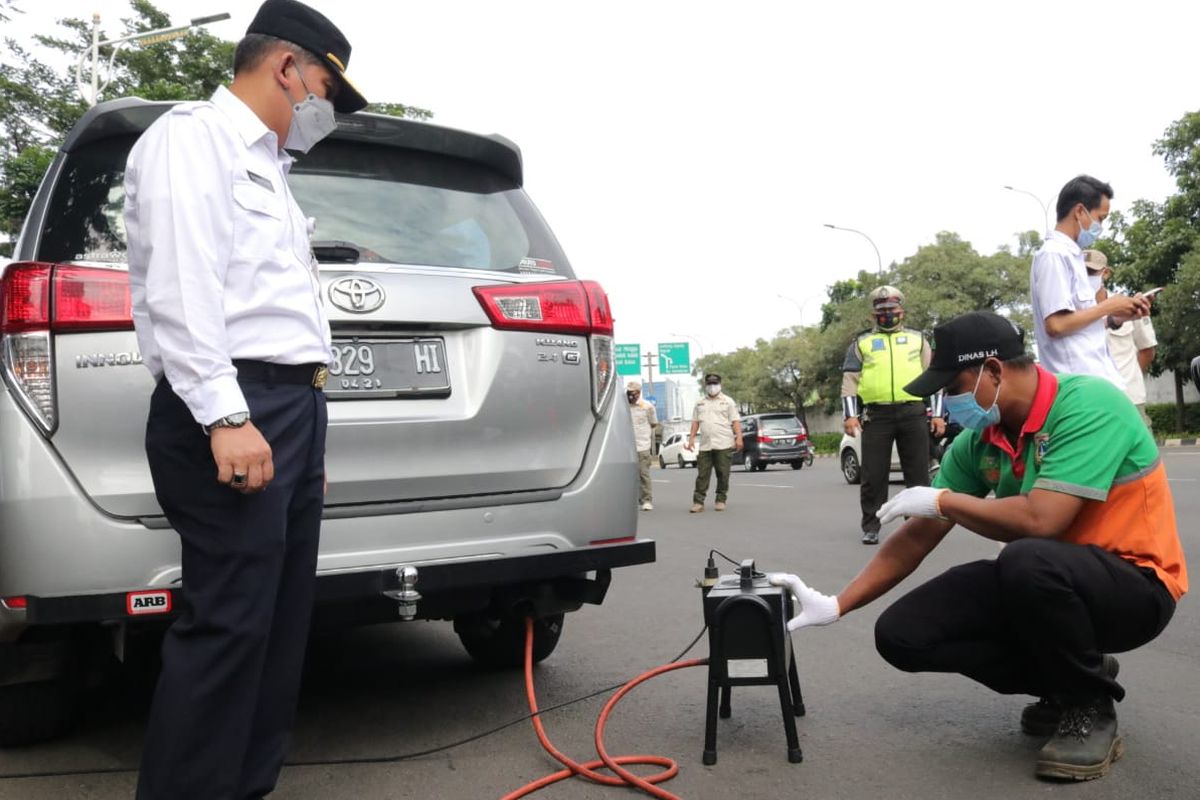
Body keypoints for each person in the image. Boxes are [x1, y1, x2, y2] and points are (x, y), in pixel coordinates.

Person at [772, 311, 1186, 782]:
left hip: (1137, 587)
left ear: (993, 371)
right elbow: (920, 535)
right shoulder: (980, 440)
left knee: (1026, 558)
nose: (949, 402)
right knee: (903, 634)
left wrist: (944, 499)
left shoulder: (1088, 405)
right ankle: (1074, 673)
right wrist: (838, 604)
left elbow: (1041, 520)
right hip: (1051, 581)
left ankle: (1088, 705)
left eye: (954, 386)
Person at [123, 1, 368, 797]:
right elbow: (182, 288)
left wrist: (306, 443)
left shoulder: (271, 169)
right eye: (327, 87)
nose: (325, 109)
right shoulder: (193, 140)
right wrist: (227, 417)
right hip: (234, 403)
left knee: (278, 626)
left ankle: (245, 787)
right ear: (287, 67)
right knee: (229, 625)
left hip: (291, 410)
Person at [842, 285, 945, 545]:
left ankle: (918, 525)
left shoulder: (918, 339)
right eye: (882, 311)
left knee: (918, 474)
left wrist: (937, 414)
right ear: (872, 315)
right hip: (877, 416)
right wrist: (850, 415)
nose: (888, 314)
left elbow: (933, 377)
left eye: (893, 310)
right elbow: (850, 381)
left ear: (903, 312)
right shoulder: (861, 343)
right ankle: (871, 526)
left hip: (913, 412)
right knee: (873, 475)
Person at [1030, 175, 1150, 387]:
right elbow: (1056, 325)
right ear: (1079, 211)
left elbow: (1079, 324)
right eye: (1100, 218)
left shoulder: (1073, 256)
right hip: (1079, 386)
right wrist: (1107, 306)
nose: (1100, 226)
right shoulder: (1054, 255)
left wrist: (1117, 317)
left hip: (1097, 382)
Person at [1085, 250, 1158, 429]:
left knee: (1143, 455)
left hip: (1130, 398)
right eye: (1082, 272)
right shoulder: (1073, 312)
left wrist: (1128, 378)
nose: (1086, 277)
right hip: (1091, 403)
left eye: (1091, 272)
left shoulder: (1127, 305)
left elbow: (1147, 351)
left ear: (1105, 273)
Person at [687, 373, 742, 512]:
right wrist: (691, 439)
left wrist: (739, 438)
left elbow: (735, 421)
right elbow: (695, 422)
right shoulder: (700, 403)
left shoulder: (728, 401)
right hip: (705, 444)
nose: (712, 387)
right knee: (702, 474)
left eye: (715, 384)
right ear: (706, 385)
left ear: (719, 384)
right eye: (710, 384)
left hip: (723, 443)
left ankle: (721, 499)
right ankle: (698, 502)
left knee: (723, 473)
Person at [626, 380, 658, 511]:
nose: (630, 396)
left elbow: (653, 423)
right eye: (628, 393)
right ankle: (633, 499)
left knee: (643, 474)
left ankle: (647, 500)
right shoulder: (623, 406)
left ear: (638, 393)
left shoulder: (647, 406)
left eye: (633, 393)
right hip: (626, 447)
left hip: (642, 446)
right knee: (628, 476)